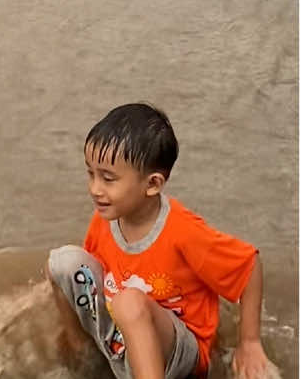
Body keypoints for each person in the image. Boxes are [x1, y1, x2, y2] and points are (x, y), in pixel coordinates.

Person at [48, 104, 271, 379]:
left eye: (108, 178)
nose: (95, 189)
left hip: (177, 350)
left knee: (129, 303)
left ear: (152, 184)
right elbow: (95, 277)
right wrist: (76, 335)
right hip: (123, 330)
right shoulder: (106, 217)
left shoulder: (184, 232)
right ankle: (82, 352)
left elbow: (249, 266)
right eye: (90, 174)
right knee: (62, 263)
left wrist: (249, 342)